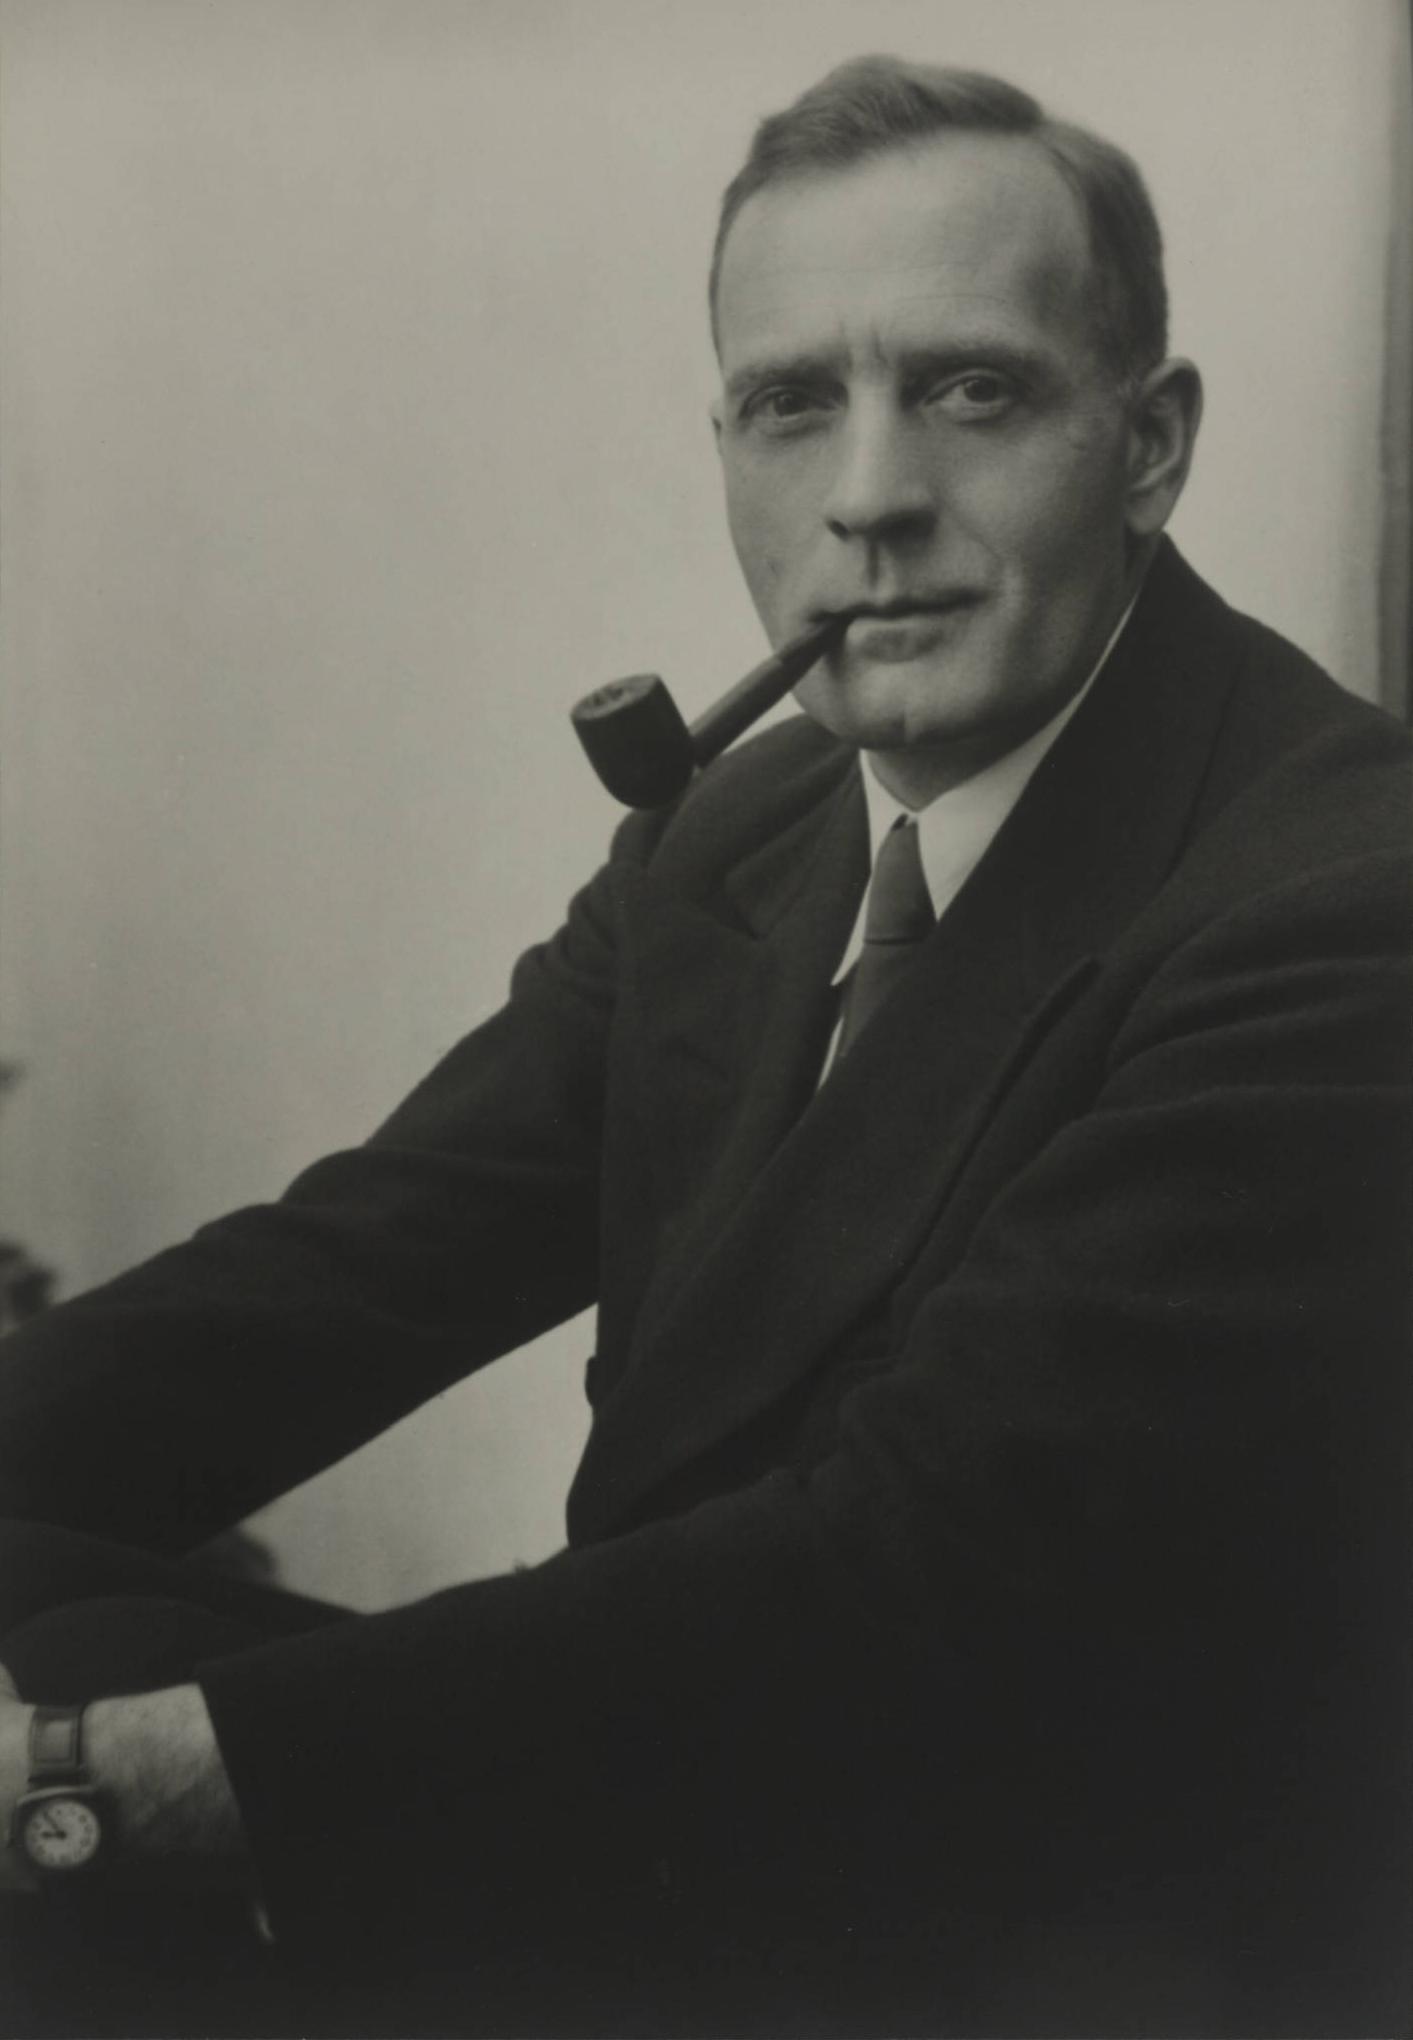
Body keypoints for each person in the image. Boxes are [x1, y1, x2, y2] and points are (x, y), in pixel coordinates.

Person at [1, 54, 1410, 2039]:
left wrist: (86, 1788)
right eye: (788, 406)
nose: (864, 498)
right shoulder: (733, 831)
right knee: (46, 1591)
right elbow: (353, 1268)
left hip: (1010, 1937)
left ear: (1147, 443)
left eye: (970, 389)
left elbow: (894, 1579)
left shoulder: (1342, 898)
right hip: (698, 1809)